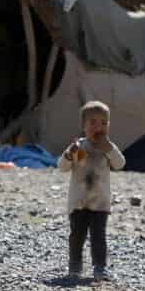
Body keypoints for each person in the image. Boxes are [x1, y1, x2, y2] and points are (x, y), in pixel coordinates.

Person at [58, 101, 126, 281]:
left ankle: (100, 267)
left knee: (98, 237)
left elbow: (120, 164)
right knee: (77, 236)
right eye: (93, 123)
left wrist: (109, 149)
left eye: (104, 123)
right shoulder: (79, 147)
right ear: (84, 126)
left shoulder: (107, 148)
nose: (99, 127)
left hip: (100, 203)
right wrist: (68, 155)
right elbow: (63, 167)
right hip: (79, 202)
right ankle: (75, 265)